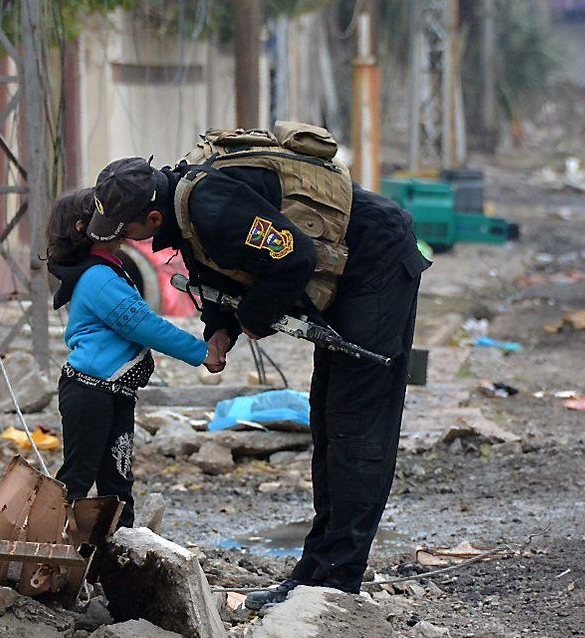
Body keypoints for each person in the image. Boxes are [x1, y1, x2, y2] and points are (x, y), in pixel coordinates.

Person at [87, 137, 430, 605]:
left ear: (151, 219)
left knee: (357, 421)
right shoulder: (181, 210)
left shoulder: (209, 207)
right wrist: (222, 332)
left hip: (376, 261)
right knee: (327, 417)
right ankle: (316, 572)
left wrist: (253, 318)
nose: (122, 238)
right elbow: (220, 276)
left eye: (123, 229)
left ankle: (336, 580)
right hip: (350, 271)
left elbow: (296, 259)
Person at [47, 188, 220, 528]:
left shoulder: (108, 270)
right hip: (90, 393)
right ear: (88, 227)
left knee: (118, 479)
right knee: (78, 478)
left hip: (115, 393)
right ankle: (48, 546)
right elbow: (143, 325)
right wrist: (201, 353)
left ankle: (119, 551)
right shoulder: (97, 277)